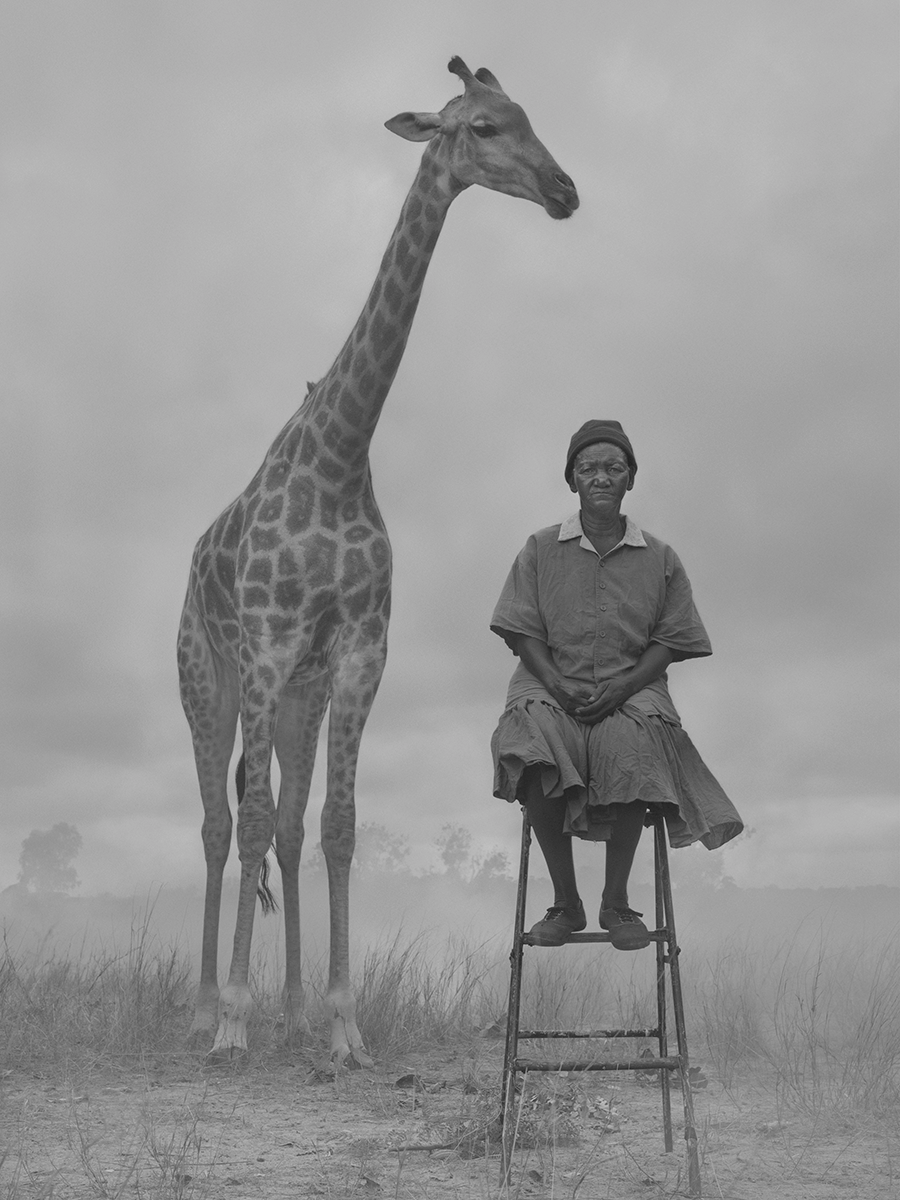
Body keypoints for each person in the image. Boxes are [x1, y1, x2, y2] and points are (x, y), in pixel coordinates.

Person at [490, 420, 743, 949]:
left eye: (613, 468)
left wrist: (625, 686)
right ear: (571, 480)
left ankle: (616, 903)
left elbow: (672, 638)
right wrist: (557, 682)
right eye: (588, 469)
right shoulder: (539, 548)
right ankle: (566, 904)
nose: (600, 477)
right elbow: (518, 628)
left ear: (630, 479)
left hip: (635, 683)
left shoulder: (660, 556)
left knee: (634, 744)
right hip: (547, 678)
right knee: (530, 739)